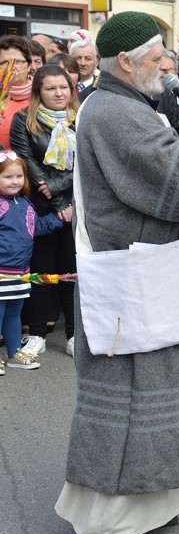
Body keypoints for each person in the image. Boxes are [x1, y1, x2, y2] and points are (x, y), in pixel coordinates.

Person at [54, 11, 179, 534]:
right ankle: (109, 522)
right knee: (130, 403)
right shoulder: (117, 114)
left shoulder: (124, 105)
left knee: (157, 395)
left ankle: (152, 505)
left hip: (147, 272)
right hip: (133, 281)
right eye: (156, 57)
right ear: (124, 62)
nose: (166, 66)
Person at [9, 64, 78, 358]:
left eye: (63, 87)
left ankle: (76, 334)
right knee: (40, 273)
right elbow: (26, 161)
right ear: (39, 91)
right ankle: (37, 334)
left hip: (77, 207)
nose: (58, 93)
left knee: (73, 274)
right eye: (50, 88)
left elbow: (86, 162)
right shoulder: (23, 119)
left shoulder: (82, 117)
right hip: (39, 209)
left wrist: (63, 196)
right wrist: (55, 200)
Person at [0, 151, 63, 376]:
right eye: (8, 177)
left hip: (21, 272)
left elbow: (35, 228)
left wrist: (58, 219)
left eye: (19, 176)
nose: (15, 181)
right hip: (1, 272)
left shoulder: (25, 203)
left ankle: (15, 352)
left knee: (14, 313)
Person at [0, 35, 33, 149]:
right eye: (4, 62)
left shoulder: (41, 95)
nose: (11, 67)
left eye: (17, 62)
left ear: (29, 65)